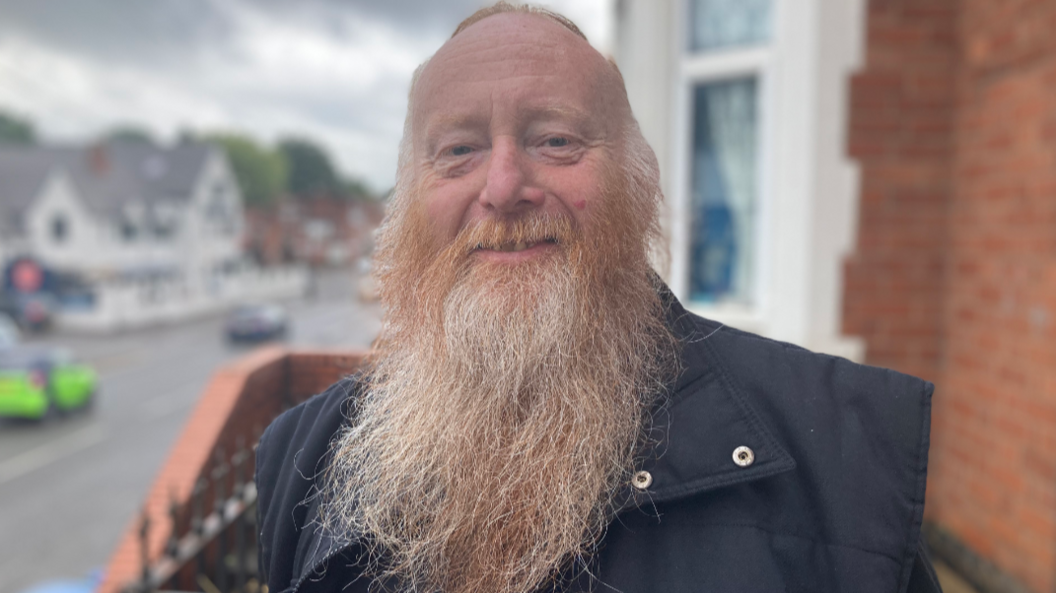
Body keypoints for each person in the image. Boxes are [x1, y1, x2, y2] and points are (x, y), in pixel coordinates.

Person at [255, 4, 943, 592]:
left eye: (555, 139)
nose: (502, 186)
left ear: (636, 183)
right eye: (458, 149)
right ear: (406, 202)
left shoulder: (845, 462)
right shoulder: (299, 457)